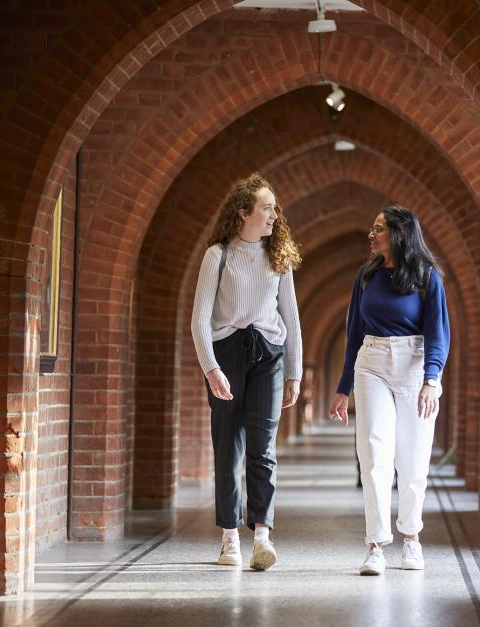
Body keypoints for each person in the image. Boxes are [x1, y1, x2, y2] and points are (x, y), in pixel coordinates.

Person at [328, 205, 450, 576]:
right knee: (374, 454)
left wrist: (432, 380)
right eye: (372, 228)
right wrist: (343, 388)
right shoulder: (365, 277)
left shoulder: (428, 278)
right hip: (372, 362)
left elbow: (438, 333)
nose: (371, 234)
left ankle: (411, 538)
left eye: (378, 228)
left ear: (400, 233)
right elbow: (353, 334)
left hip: (415, 364)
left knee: (412, 459)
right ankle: (376, 545)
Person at [190, 172, 302, 571]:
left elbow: (290, 315)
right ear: (244, 212)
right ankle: (228, 538)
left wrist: (294, 372)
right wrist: (211, 369)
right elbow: (200, 319)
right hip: (227, 354)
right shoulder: (217, 255)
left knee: (263, 448)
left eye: (274, 209)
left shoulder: (279, 257)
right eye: (266, 208)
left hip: (269, 354)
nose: (274, 215)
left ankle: (262, 537)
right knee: (228, 446)